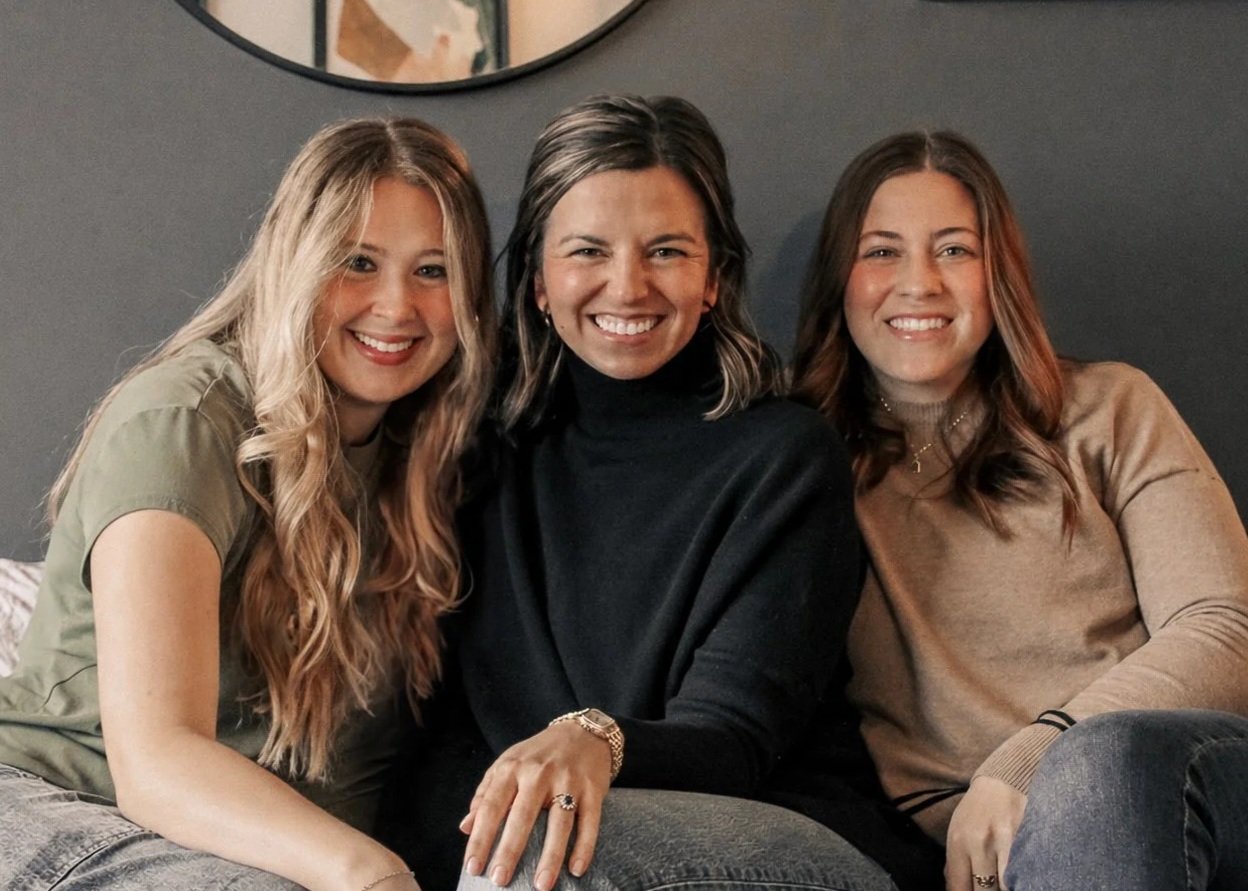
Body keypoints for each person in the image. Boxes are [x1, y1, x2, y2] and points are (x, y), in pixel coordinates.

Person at [409, 94, 891, 891]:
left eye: (665, 251)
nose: (627, 286)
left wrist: (593, 739)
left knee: (547, 842)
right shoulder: (479, 454)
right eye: (588, 251)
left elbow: (734, 738)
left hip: (791, 843)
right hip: (549, 859)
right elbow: (440, 747)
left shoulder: (785, 457)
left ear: (713, 278)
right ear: (537, 280)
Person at [0, 116, 496, 890]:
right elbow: (156, 760)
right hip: (63, 801)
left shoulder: (431, 456)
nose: (397, 305)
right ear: (293, 265)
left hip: (247, 853)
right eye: (357, 262)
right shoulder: (185, 422)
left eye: (434, 270)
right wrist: (370, 872)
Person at [790, 130, 1248, 890]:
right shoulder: (802, 461)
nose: (920, 283)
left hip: (1170, 773)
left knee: (1098, 769)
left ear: (997, 272)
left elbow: (1226, 628)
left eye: (954, 250)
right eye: (881, 251)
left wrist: (1036, 754)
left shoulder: (1108, 406)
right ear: (840, 275)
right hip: (954, 834)